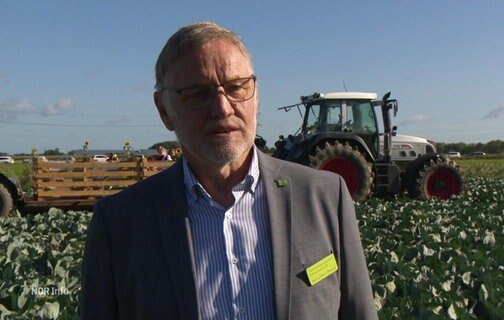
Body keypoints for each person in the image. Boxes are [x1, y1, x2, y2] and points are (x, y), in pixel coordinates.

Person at [80, 21, 377, 320]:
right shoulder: (120, 223)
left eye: (236, 87)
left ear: (256, 94)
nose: (223, 108)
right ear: (164, 110)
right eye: (198, 94)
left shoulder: (325, 197)